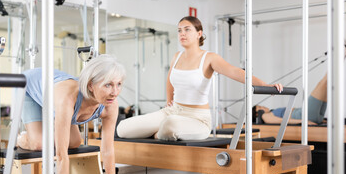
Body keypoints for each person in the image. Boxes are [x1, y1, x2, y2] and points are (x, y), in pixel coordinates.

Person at [116, 16, 283, 140]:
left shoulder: (209, 58)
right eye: (179, 30)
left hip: (197, 118)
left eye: (187, 29)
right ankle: (158, 133)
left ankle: (158, 132)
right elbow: (170, 80)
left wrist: (265, 85)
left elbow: (235, 72)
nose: (182, 33)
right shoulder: (176, 56)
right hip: (173, 111)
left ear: (199, 33)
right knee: (123, 128)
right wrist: (169, 99)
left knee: (170, 125)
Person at [17, 54, 130, 174]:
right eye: (108, 85)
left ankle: (44, 128)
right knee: (39, 144)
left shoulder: (110, 105)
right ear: (91, 85)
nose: (115, 92)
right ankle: (22, 137)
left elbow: (107, 149)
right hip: (28, 86)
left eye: (119, 84)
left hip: (57, 93)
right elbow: (61, 155)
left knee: (75, 142)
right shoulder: (67, 99)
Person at [253, 40, 346, 125]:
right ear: (257, 113)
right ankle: (340, 56)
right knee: (324, 83)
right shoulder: (265, 116)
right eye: (259, 107)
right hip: (303, 115)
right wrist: (303, 122)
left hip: (310, 116)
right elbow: (283, 122)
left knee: (327, 83)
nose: (263, 106)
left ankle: (342, 57)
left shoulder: (271, 112)